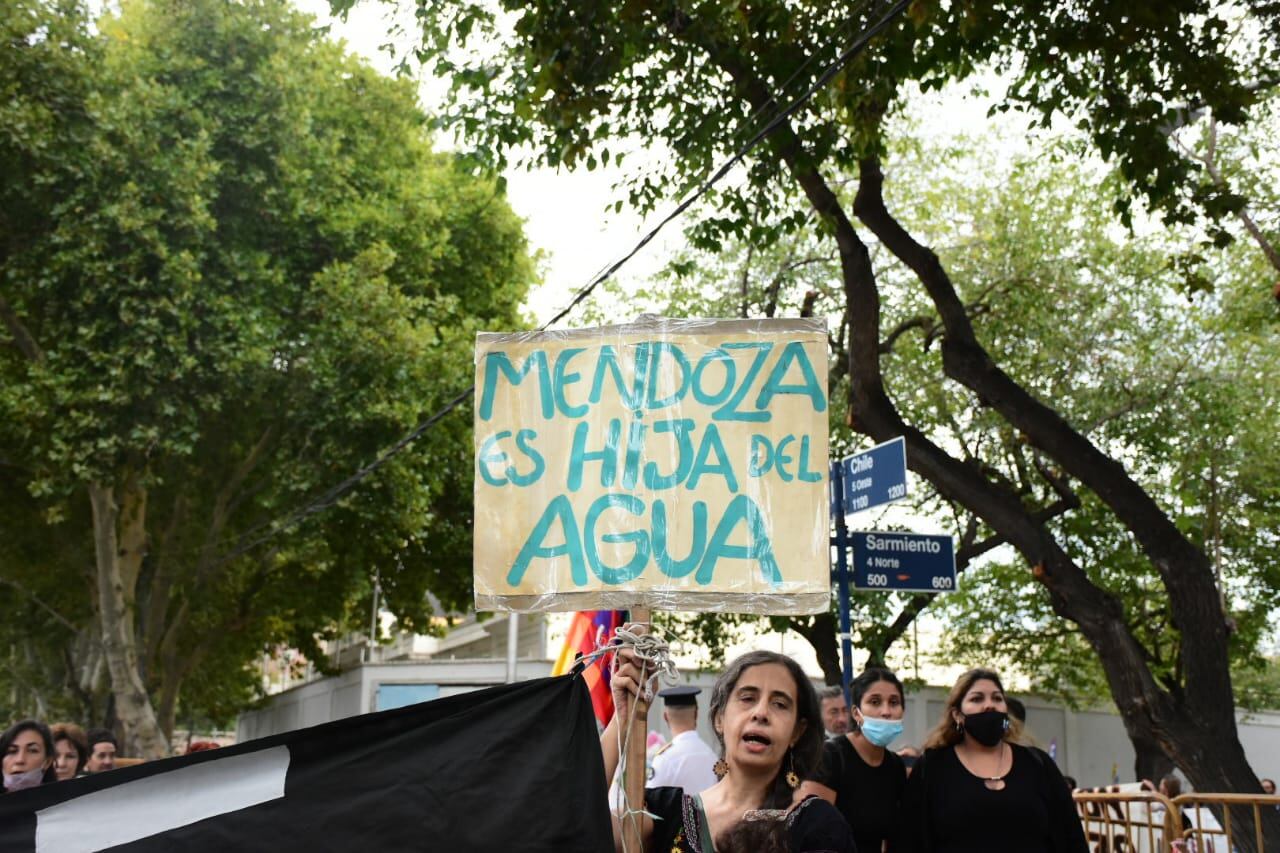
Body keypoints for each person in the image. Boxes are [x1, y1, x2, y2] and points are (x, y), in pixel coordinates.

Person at [602, 632, 854, 853]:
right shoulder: (664, 812)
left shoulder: (817, 824)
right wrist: (623, 718)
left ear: (797, 732)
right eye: (747, 698)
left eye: (780, 704)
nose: (761, 712)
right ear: (720, 718)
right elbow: (578, 819)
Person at [895, 668, 1087, 852]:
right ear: (958, 715)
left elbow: (1071, 837)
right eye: (977, 698)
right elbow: (909, 841)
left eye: (997, 698)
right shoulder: (932, 767)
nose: (989, 705)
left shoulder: (1038, 764)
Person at [802, 666, 907, 853]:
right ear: (857, 713)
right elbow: (813, 835)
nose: (886, 711)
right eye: (875, 702)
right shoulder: (830, 756)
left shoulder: (895, 766)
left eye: (894, 702)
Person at [647, 686, 718, 794]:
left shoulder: (665, 759)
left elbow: (648, 801)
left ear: (665, 717)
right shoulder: (712, 757)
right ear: (696, 713)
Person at [2, 720, 58, 793]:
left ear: (47, 762)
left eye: (32, 750)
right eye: (12, 751)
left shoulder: (68, 802)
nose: (20, 760)